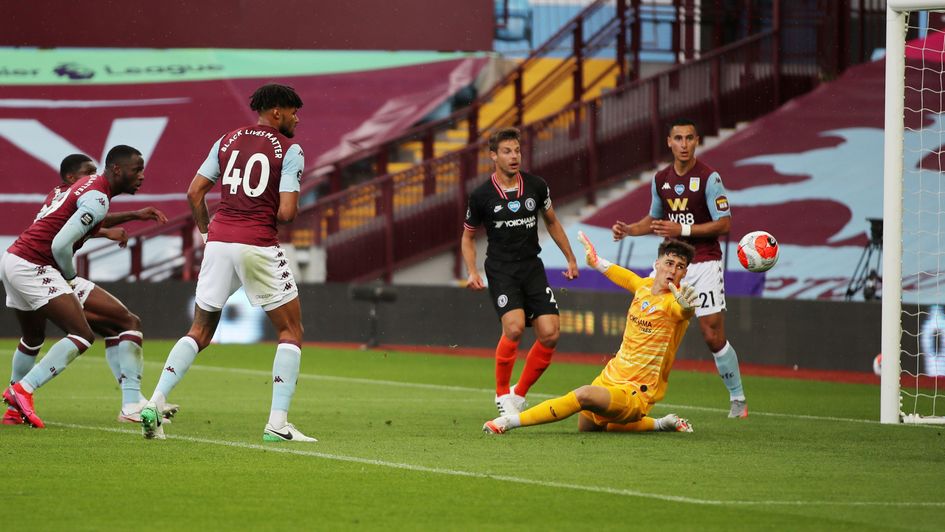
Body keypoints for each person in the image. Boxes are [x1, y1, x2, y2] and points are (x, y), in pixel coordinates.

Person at [139, 83, 315, 442]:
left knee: (200, 331)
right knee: (291, 331)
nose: (297, 118)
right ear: (276, 112)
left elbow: (194, 192)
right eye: (294, 111)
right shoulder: (290, 149)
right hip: (257, 244)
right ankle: (277, 424)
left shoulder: (227, 139)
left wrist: (207, 231)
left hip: (219, 242)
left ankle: (155, 403)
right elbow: (287, 212)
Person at [2, 153, 174, 426]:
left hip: (16, 260)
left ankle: (14, 410)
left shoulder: (75, 190)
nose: (142, 175)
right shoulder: (97, 196)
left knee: (36, 336)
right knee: (83, 333)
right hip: (39, 266)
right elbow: (60, 244)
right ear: (117, 170)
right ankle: (22, 389)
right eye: (137, 169)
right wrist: (70, 278)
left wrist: (129, 217)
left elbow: (85, 220)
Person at [484, 233, 696, 434]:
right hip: (610, 377)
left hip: (636, 392)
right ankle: (660, 423)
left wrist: (688, 308)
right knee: (590, 427)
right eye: (669, 263)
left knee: (583, 394)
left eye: (680, 267)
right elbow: (621, 275)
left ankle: (509, 422)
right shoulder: (643, 286)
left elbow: (683, 312)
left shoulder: (674, 304)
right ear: (657, 265)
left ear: (684, 273)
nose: (673, 270)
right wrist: (594, 260)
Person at [612, 118, 748, 418]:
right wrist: (629, 230)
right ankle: (633, 390)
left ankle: (738, 398)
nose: (684, 145)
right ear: (669, 143)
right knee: (649, 326)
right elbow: (654, 220)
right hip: (671, 265)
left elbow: (725, 223)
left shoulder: (710, 178)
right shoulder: (660, 179)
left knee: (712, 334)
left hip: (705, 263)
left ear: (697, 141)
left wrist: (682, 229)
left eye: (689, 138)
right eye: (678, 139)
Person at [461, 127, 579, 417]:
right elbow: (468, 237)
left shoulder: (536, 186)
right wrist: (472, 271)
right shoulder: (481, 195)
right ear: (493, 156)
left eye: (517, 151)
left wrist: (570, 258)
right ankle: (502, 394)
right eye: (506, 151)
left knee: (550, 334)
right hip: (501, 269)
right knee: (513, 327)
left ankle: (519, 393)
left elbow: (551, 221)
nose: (514, 157)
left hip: (532, 267)